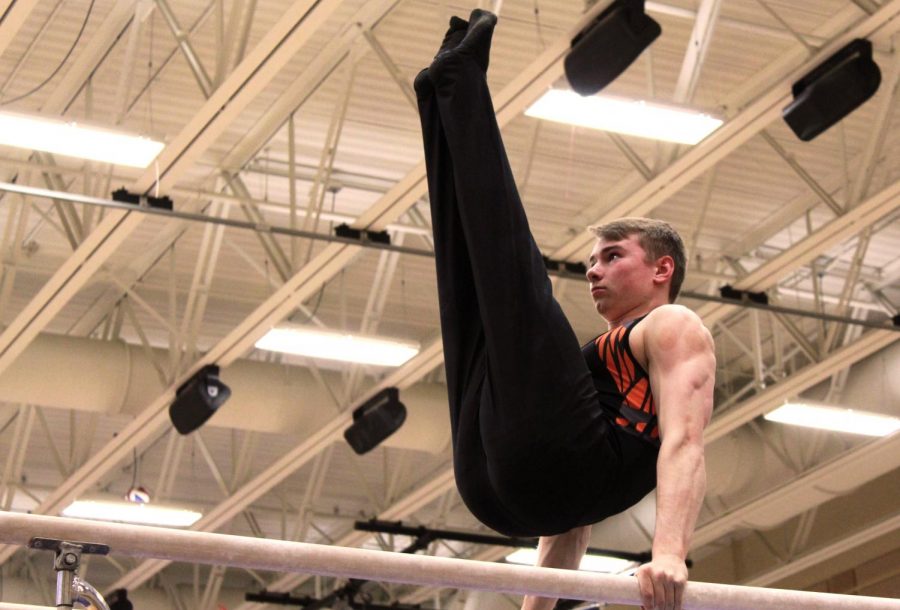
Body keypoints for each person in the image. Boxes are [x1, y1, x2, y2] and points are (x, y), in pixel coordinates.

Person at [413, 10, 715, 610]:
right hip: (506, 486)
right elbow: (569, 519)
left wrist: (669, 552)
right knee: (471, 286)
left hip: (544, 477)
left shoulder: (674, 327)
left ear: (662, 270)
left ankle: (459, 85)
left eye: (611, 256)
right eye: (592, 260)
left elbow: (685, 440)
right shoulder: (581, 386)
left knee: (510, 279)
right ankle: (439, 98)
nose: (592, 270)